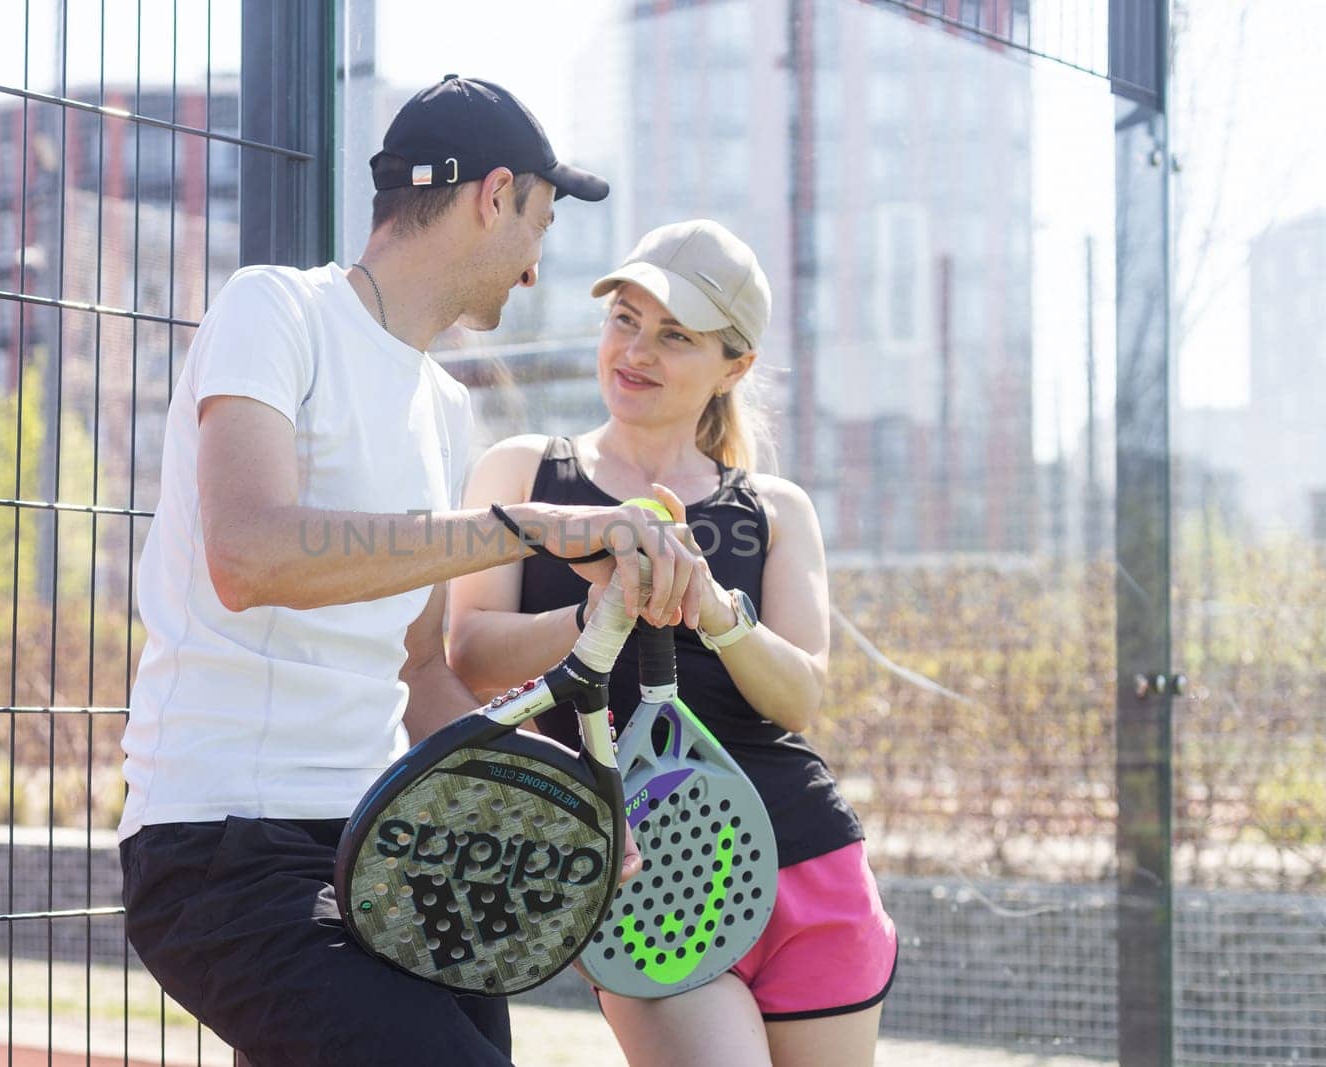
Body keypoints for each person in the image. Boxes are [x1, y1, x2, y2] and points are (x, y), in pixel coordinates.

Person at [115, 76, 709, 1066]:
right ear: (494, 195)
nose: (534, 267)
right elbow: (249, 553)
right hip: (222, 848)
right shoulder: (274, 309)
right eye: (541, 221)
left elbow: (422, 673)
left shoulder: (442, 405)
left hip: (382, 845)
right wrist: (525, 525)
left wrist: (557, 789)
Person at [449, 219, 898, 1067]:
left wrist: (715, 611)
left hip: (812, 865)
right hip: (644, 871)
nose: (637, 350)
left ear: (736, 366)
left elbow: (801, 699)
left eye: (676, 335)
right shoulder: (524, 473)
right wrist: (596, 616)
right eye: (625, 319)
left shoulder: (776, 508)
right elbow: (468, 655)